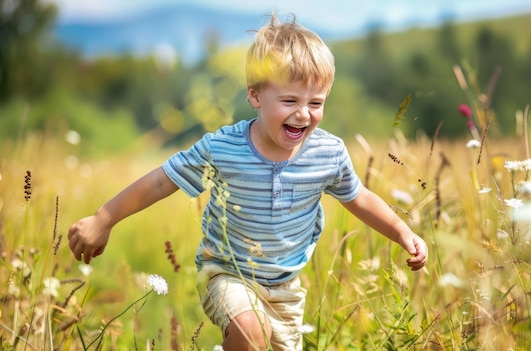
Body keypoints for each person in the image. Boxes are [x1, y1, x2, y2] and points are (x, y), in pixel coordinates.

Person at [67, 13, 428, 351]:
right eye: (289, 100)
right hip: (226, 274)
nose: (303, 113)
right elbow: (163, 181)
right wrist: (104, 218)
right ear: (255, 95)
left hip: (286, 290)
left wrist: (401, 231)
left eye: (315, 102)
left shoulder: (328, 153)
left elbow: (358, 197)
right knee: (251, 329)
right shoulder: (223, 148)